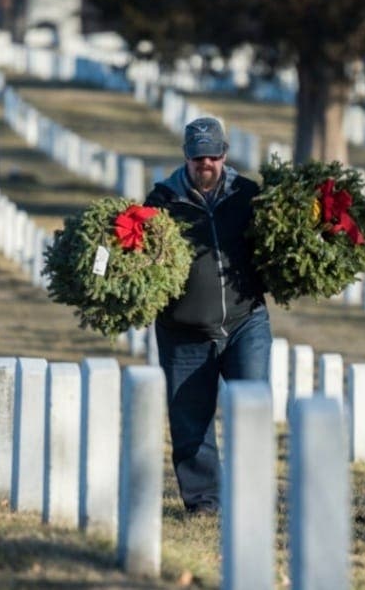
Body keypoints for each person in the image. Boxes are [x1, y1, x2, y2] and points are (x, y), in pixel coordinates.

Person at [144, 116, 271, 514]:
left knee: (253, 408)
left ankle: (251, 496)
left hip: (244, 321)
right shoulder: (162, 202)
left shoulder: (247, 195)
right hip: (184, 331)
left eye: (213, 157)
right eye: (199, 158)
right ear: (186, 157)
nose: (206, 165)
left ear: (225, 155)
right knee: (190, 422)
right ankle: (205, 503)